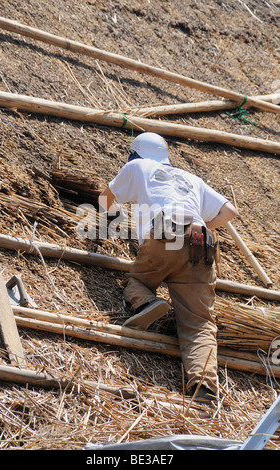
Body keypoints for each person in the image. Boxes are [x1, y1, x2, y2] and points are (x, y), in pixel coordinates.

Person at [98, 132, 237, 402]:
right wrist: (198, 231)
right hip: (203, 243)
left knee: (136, 283)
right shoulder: (191, 179)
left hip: (165, 231)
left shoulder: (136, 166)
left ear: (135, 154)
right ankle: (203, 388)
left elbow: (105, 200)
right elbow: (230, 211)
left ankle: (148, 303)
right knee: (199, 323)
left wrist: (120, 223)